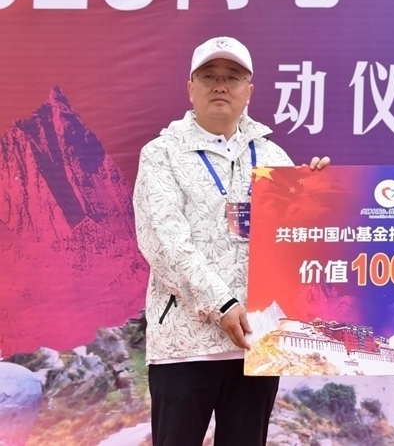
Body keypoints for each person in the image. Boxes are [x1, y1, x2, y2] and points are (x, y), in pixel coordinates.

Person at [133, 36, 330, 446]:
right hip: (185, 346)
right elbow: (165, 241)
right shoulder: (161, 153)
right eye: (209, 76)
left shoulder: (273, 158)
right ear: (191, 87)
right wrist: (221, 304)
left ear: (249, 91)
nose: (220, 85)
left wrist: (319, 192)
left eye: (232, 77)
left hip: (257, 344)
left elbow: (299, 241)